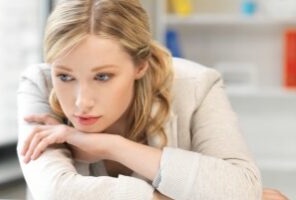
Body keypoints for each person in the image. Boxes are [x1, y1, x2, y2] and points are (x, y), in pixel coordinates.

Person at [16, 0, 289, 199]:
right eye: (65, 77)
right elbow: (57, 192)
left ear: (140, 65)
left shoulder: (196, 85)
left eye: (102, 77)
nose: (80, 103)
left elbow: (240, 188)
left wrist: (112, 146)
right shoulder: (39, 85)